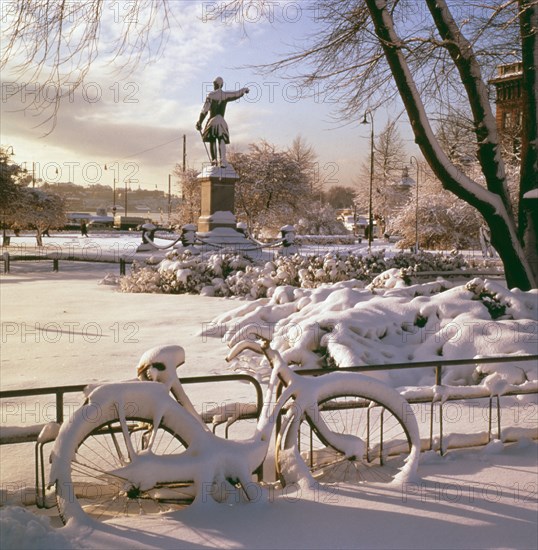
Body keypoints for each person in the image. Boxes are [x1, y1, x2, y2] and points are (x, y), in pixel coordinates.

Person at [196, 77, 249, 167]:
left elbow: (204, 110)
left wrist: (199, 122)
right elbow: (236, 94)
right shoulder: (225, 95)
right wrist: (244, 90)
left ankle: (214, 160)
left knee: (212, 139)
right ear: (222, 84)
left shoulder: (211, 95)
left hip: (212, 120)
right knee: (221, 139)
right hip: (221, 120)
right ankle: (223, 160)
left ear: (216, 84)